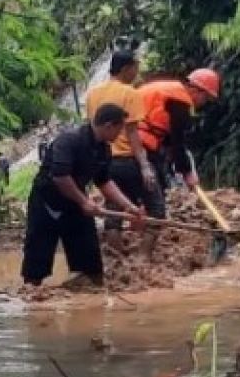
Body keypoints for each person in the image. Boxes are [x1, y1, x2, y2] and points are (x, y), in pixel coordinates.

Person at [21, 103, 146, 289]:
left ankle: (85, 296)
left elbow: (104, 181)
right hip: (47, 202)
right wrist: (84, 202)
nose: (120, 135)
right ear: (108, 126)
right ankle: (31, 296)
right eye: (119, 130)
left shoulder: (104, 149)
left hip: (75, 203)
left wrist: (129, 207)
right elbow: (60, 176)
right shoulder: (69, 140)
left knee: (91, 264)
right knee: (37, 259)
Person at [134, 68, 221, 260]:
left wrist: (180, 164)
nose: (202, 104)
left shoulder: (168, 91)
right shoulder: (180, 99)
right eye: (205, 99)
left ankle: (133, 249)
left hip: (133, 143)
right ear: (197, 90)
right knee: (156, 204)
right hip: (140, 145)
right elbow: (177, 141)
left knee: (152, 192)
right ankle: (142, 258)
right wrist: (187, 172)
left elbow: (167, 138)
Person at [85, 49, 159, 252]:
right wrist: (144, 166)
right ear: (126, 69)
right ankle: (142, 260)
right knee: (156, 209)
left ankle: (118, 261)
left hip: (104, 163)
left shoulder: (92, 94)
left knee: (113, 212)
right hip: (128, 160)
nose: (137, 72)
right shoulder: (130, 93)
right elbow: (133, 133)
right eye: (136, 68)